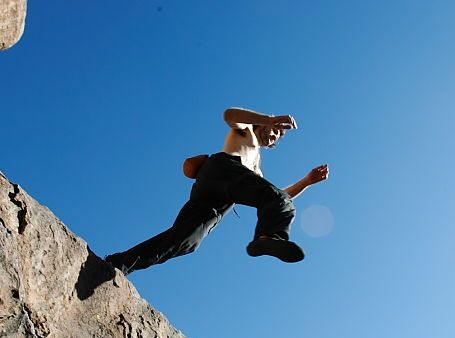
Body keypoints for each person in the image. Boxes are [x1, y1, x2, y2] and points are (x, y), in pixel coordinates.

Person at [105, 107, 329, 274]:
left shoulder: (255, 167)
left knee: (185, 240)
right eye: (274, 131)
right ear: (263, 124)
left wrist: (307, 181)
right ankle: (268, 236)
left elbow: (278, 197)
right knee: (275, 199)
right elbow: (229, 115)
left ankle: (119, 263)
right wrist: (269, 119)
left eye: (278, 137)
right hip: (222, 169)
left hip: (217, 196)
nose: (274, 136)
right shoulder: (246, 133)